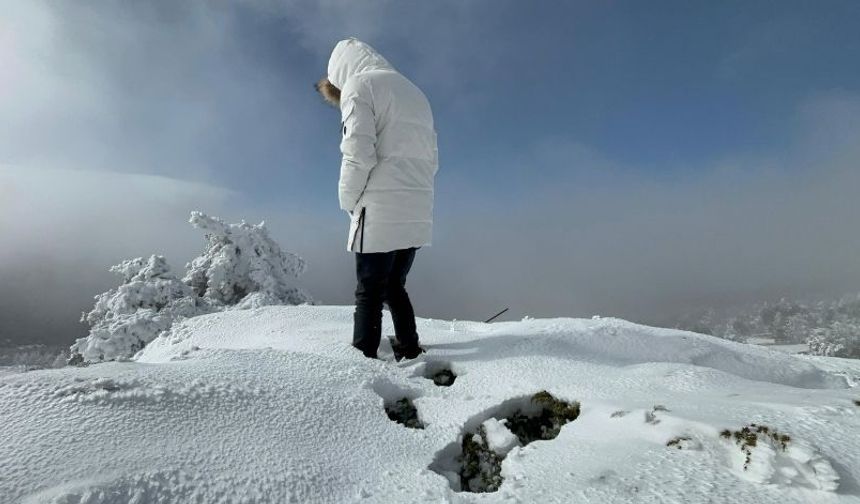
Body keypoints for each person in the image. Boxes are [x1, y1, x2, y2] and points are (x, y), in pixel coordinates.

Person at [315, 38, 438, 360]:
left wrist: (348, 200)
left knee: (369, 290)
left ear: (339, 71)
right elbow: (431, 158)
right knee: (395, 285)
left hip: (379, 207)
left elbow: (357, 153)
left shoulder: (359, 86)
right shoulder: (415, 92)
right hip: (417, 205)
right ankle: (409, 348)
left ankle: (364, 358)